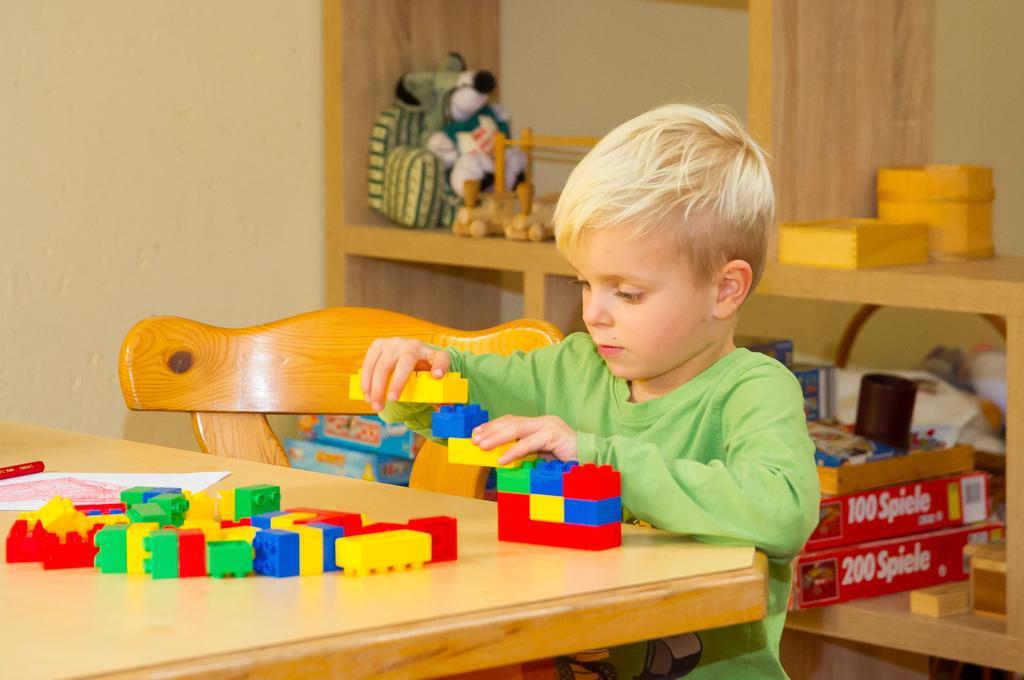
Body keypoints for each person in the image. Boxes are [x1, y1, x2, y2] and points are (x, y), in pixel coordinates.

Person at [359, 103, 820, 679]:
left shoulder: (754, 390)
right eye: (585, 283)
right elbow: (473, 392)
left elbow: (781, 512)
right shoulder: (577, 367)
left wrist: (597, 456)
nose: (594, 313)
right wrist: (423, 369)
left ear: (724, 290)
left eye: (626, 293)